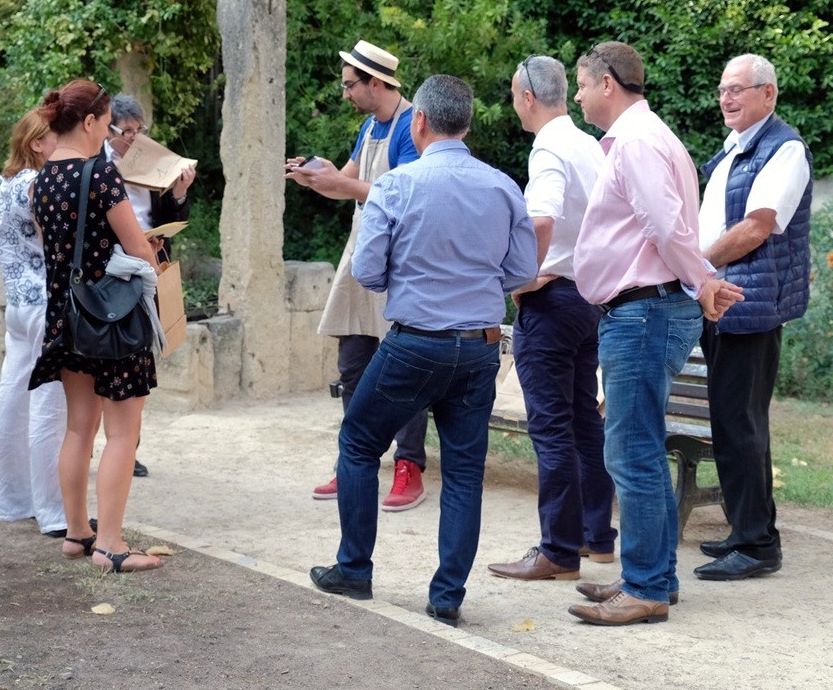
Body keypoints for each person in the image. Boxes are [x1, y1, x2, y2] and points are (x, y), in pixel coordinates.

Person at [308, 74, 538, 628]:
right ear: (467, 124)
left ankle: (355, 569)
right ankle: (447, 596)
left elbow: (367, 270)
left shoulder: (396, 185)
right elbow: (523, 271)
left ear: (419, 122)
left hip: (414, 342)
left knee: (359, 442)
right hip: (481, 347)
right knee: (463, 472)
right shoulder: (504, 187)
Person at [566, 42, 742, 626]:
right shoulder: (648, 137)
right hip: (649, 309)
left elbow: (666, 227)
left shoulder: (637, 143)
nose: (578, 94)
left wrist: (702, 280)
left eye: (583, 84)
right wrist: (699, 283)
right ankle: (654, 577)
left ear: (609, 84)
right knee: (639, 448)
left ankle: (644, 588)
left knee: (631, 451)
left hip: (644, 311)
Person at [285, 40, 430, 512]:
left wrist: (342, 183)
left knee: (406, 367)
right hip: (361, 256)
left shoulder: (413, 126)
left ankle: (410, 466)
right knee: (352, 364)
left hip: (401, 263)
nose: (345, 93)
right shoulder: (369, 126)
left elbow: (405, 193)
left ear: (376, 83)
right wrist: (319, 176)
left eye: (350, 84)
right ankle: (356, 459)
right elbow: (350, 181)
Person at [487, 55, 616, 582]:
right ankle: (596, 537)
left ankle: (558, 551)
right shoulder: (589, 144)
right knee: (585, 419)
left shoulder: (548, 148)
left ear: (526, 97)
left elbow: (540, 218)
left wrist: (521, 278)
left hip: (555, 300)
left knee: (551, 425)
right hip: (590, 298)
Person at [28, 79, 162, 574]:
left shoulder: (40, 179)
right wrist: (151, 249)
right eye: (107, 124)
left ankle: (77, 532)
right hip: (112, 318)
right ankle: (110, 544)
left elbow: (54, 250)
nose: (109, 132)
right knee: (123, 434)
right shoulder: (101, 175)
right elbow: (138, 248)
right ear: (88, 122)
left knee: (77, 429)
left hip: (66, 317)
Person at [693, 54, 812, 581]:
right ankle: (747, 531)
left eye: (738, 89)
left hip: (748, 305)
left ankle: (757, 544)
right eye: (722, 90)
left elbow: (757, 227)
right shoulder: (734, 150)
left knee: (740, 423)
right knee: (733, 420)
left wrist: (696, 266)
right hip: (724, 299)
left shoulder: (782, 149)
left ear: (769, 95)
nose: (727, 99)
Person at [99, 93, 195, 478]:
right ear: (108, 131)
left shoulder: (153, 160)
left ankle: (128, 450)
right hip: (112, 270)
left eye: (140, 130)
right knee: (107, 362)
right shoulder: (96, 164)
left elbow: (172, 215)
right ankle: (104, 446)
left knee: (140, 359)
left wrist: (180, 192)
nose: (134, 138)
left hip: (150, 267)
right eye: (127, 131)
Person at [0, 110, 68, 538]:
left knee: (12, 399)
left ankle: (12, 501)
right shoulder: (37, 184)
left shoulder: (4, 183)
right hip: (43, 305)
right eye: (56, 137)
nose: (62, 144)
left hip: (17, 305)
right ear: (38, 144)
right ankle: (54, 514)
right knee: (49, 408)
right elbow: (57, 238)